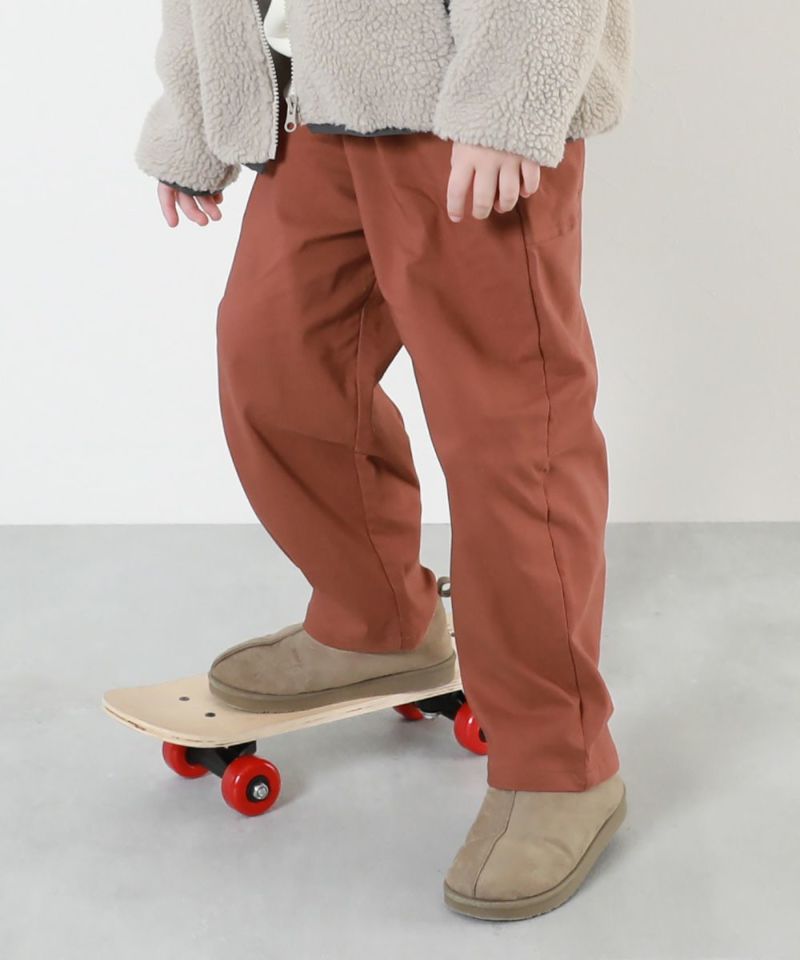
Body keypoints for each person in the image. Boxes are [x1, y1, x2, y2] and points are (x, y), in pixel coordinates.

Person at [135, 0, 634, 922]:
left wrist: (504, 103)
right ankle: (377, 624)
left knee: (510, 435)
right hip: (314, 103)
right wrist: (195, 114)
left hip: (461, 103)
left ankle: (559, 764)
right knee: (276, 365)